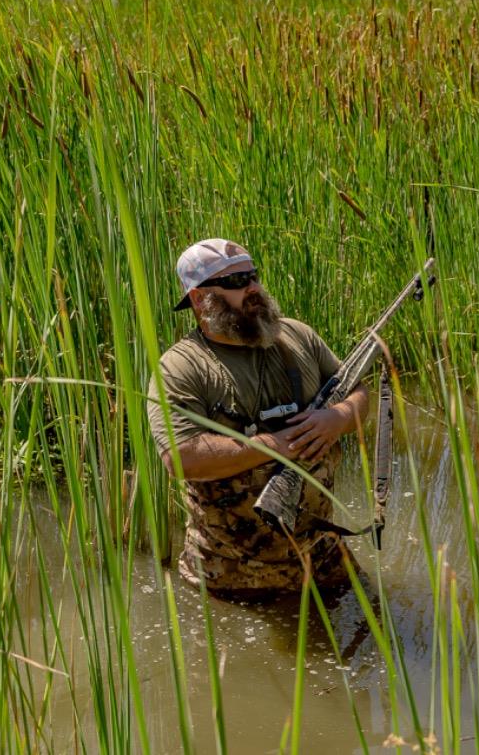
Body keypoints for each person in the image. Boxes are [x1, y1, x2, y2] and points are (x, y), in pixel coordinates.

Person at [147, 238, 372, 601]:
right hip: (228, 576)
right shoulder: (179, 368)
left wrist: (339, 416)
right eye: (235, 282)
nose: (252, 287)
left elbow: (358, 390)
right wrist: (277, 445)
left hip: (323, 557)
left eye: (252, 276)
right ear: (199, 298)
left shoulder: (298, 335)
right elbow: (181, 458)